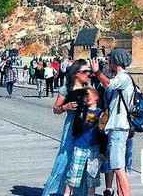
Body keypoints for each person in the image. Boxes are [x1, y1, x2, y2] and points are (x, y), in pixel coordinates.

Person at [41, 60, 93, 196]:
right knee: (65, 159)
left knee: (82, 163)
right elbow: (55, 109)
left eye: (89, 71)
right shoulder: (66, 89)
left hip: (86, 129)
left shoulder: (89, 87)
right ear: (76, 73)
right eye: (86, 71)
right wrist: (65, 107)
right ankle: (55, 192)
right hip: (71, 129)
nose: (89, 74)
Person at [91, 49, 134, 196]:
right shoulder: (121, 78)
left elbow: (108, 83)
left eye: (110, 60)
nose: (108, 63)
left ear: (115, 62)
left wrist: (97, 72)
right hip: (117, 128)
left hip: (119, 128)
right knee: (118, 166)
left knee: (118, 167)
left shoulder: (123, 78)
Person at [64, 88, 103, 195]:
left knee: (92, 177)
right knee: (74, 174)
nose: (87, 97)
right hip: (80, 146)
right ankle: (67, 194)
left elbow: (102, 131)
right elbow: (85, 124)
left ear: (96, 97)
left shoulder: (100, 113)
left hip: (94, 148)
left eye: (89, 95)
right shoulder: (81, 111)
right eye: (85, 95)